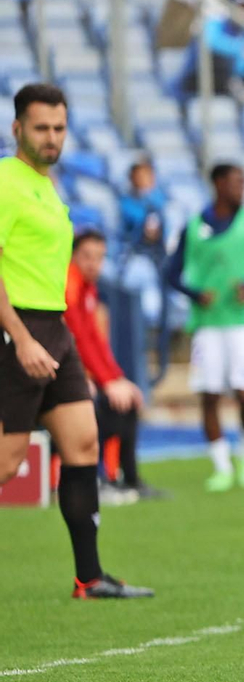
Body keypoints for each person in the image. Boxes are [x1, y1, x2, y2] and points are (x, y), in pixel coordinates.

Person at [0, 85, 153, 598]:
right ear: (17, 128)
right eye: (41, 128)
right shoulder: (5, 181)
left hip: (54, 330)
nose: (52, 138)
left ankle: (89, 578)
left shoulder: (47, 186)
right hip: (16, 331)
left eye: (59, 128)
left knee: (84, 444)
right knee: (8, 463)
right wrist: (19, 338)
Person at [162, 162, 244, 493]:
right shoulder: (194, 227)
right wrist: (196, 293)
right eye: (235, 182)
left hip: (243, 320)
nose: (241, 188)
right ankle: (221, 465)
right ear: (217, 184)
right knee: (210, 395)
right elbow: (171, 272)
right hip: (207, 324)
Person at [65, 230, 165, 503]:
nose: (93, 264)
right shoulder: (69, 287)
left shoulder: (88, 289)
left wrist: (117, 378)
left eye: (99, 258)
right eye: (86, 256)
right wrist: (107, 381)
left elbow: (96, 341)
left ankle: (128, 478)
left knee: (127, 400)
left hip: (80, 373)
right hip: (63, 375)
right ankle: (98, 479)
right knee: (97, 405)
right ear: (73, 256)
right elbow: (79, 340)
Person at [119, 157, 167, 259]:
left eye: (147, 175)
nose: (143, 180)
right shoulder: (125, 203)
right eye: (139, 176)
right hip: (136, 252)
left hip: (160, 251)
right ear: (132, 178)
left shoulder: (163, 200)